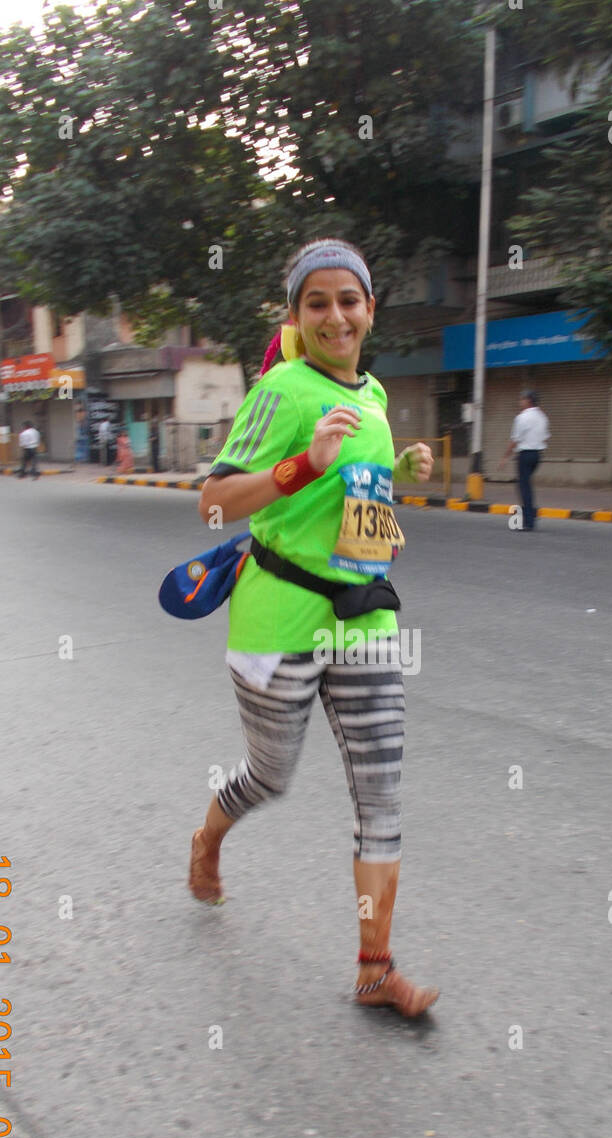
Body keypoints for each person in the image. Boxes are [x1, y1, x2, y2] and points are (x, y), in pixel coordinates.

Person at [191, 237, 439, 1018]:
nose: (336, 315)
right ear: (297, 314)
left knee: (382, 797)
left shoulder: (374, 398)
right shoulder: (281, 390)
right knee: (272, 777)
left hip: (360, 617)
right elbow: (213, 500)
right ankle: (208, 839)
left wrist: (400, 476)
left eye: (349, 300)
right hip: (279, 618)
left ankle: (375, 968)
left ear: (370, 308)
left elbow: (356, 495)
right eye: (318, 302)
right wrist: (302, 462)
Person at [502, 388, 550, 531]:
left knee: (524, 487)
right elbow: (546, 437)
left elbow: (515, 440)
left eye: (521, 399)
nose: (520, 402)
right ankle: (531, 513)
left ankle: (529, 521)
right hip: (537, 455)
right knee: (527, 485)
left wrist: (505, 456)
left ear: (528, 401)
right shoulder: (543, 417)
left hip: (525, 455)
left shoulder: (522, 417)